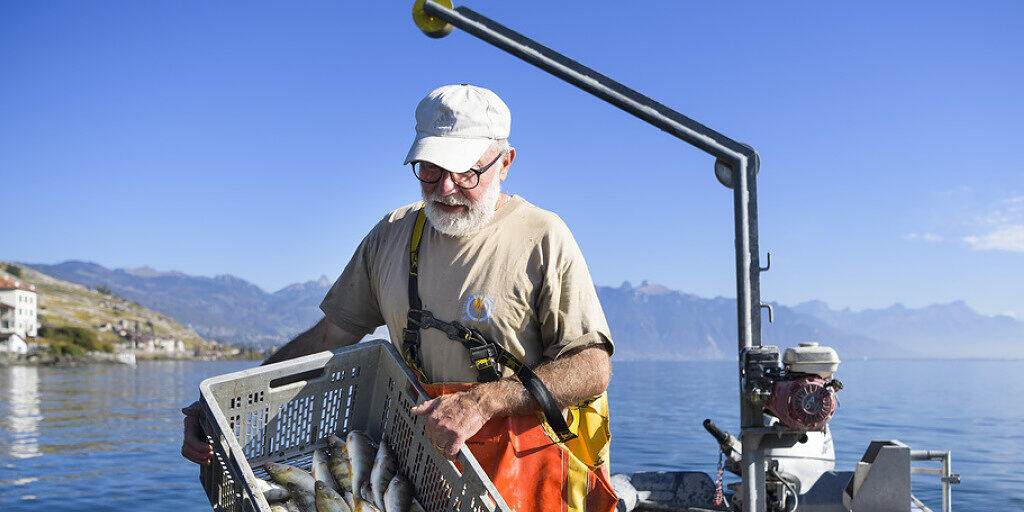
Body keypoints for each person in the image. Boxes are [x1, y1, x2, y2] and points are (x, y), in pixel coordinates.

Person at [181, 84, 618, 512]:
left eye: (466, 172)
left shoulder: (542, 236)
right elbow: (330, 336)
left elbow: (593, 367)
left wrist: (483, 402)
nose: (445, 188)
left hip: (522, 479)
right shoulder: (391, 234)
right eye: (430, 168)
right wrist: (222, 412)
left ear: (505, 163)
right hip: (423, 473)